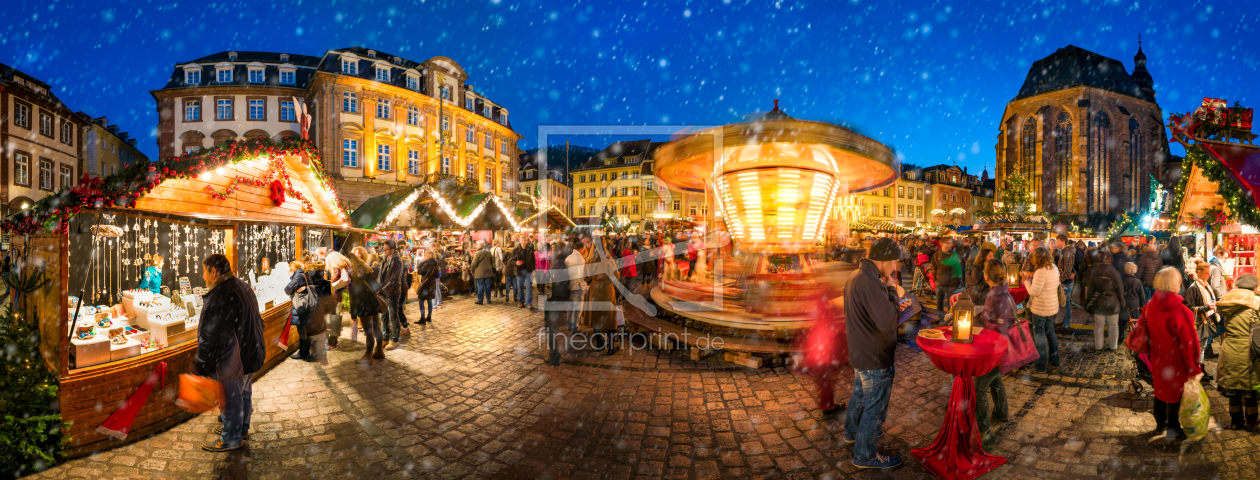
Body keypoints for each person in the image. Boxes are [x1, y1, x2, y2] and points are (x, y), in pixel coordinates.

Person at [843, 237, 910, 469]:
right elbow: (888, 322)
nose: (895, 267)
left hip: (861, 350)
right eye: (894, 262)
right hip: (875, 355)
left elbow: (874, 312)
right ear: (884, 260)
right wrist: (892, 291)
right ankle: (864, 454)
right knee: (875, 408)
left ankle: (852, 432)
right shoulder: (871, 282)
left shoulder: (857, 276)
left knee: (860, 396)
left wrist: (890, 298)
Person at [195, 254, 264, 452]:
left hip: (233, 358)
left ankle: (231, 438)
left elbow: (213, 335)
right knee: (243, 394)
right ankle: (241, 429)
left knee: (231, 399)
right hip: (250, 351)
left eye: (204, 271)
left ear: (214, 272)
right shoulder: (242, 286)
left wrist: (201, 363)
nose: (203, 276)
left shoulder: (221, 294)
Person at [1146, 267, 1202, 446]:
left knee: (1160, 392)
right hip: (1176, 362)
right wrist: (1193, 367)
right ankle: (1173, 430)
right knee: (1175, 397)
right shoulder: (1181, 311)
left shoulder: (1149, 306)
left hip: (1157, 358)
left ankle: (1159, 425)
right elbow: (1190, 343)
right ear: (1175, 285)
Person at [1213, 273, 1260, 430]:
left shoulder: (1228, 301)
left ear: (1238, 286)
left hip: (1230, 349)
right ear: (1254, 287)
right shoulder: (1256, 301)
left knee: (1233, 388)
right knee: (1249, 389)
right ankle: (1251, 422)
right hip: (1249, 351)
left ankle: (1236, 422)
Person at [975, 259, 1012, 440]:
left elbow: (1000, 325)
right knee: (996, 380)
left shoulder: (996, 295)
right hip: (999, 347)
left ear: (987, 276)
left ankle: (983, 428)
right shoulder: (1001, 291)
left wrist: (983, 321)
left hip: (995, 348)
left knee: (978, 389)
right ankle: (1001, 412)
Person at [580, 237, 620, 355]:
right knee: (610, 318)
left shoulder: (589, 260)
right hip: (607, 290)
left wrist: (592, 281)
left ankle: (599, 343)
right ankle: (611, 347)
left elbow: (586, 277)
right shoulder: (608, 259)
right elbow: (616, 276)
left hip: (594, 291)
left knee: (596, 317)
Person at [1026, 247, 1061, 373]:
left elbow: (1034, 292)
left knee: (1039, 334)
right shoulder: (1054, 268)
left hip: (1040, 308)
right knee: (1051, 333)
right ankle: (1054, 361)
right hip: (1051, 307)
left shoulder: (1041, 271)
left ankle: (1041, 365)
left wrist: (1026, 282)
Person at [1083, 250, 1126, 351]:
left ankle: (1099, 346)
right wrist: (1122, 302)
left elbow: (1090, 290)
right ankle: (1113, 346)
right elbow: (1120, 289)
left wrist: (1088, 302)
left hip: (1100, 303)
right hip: (1113, 302)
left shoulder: (1095, 271)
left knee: (1098, 326)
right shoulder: (1114, 272)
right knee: (1113, 326)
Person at [346, 252, 384, 364]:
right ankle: (379, 351)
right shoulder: (369, 271)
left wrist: (353, 315)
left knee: (368, 332)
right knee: (376, 327)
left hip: (363, 305)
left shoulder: (353, 277)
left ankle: (368, 356)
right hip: (373, 302)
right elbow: (377, 286)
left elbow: (353, 297)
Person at [1185, 260, 1220, 374]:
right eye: (1206, 273)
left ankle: (1199, 369)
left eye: (1209, 273)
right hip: (1199, 323)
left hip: (1206, 321)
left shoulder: (1205, 285)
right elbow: (1189, 307)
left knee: (1202, 348)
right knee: (1198, 349)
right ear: (1199, 273)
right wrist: (1206, 307)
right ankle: (1196, 371)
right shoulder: (1194, 288)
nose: (1209, 275)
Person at [543, 240, 574, 366]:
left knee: (550, 328)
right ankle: (554, 355)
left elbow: (557, 281)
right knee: (552, 328)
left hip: (557, 298)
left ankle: (554, 357)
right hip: (561, 297)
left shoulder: (559, 262)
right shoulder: (564, 261)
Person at [376, 240, 406, 350]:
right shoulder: (385, 259)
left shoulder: (397, 261)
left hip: (393, 293)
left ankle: (395, 340)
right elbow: (380, 276)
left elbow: (393, 280)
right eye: (383, 248)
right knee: (383, 316)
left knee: (393, 317)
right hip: (383, 292)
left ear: (392, 250)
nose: (383, 251)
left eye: (386, 249)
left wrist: (383, 291)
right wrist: (378, 288)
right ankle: (385, 338)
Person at [283, 260, 315, 362]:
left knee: (302, 329)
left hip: (302, 306)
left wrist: (292, 279)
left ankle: (303, 353)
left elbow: (287, 290)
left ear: (293, 269)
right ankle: (305, 352)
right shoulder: (305, 274)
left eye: (290, 270)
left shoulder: (297, 276)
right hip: (308, 305)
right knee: (306, 329)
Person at [324, 252, 351, 351]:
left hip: (337, 295)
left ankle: (332, 342)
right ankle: (333, 340)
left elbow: (337, 274)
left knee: (334, 318)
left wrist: (330, 282)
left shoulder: (336, 267)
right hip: (343, 293)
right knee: (336, 317)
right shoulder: (345, 265)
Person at [931, 237, 963, 322]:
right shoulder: (936, 255)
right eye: (948, 243)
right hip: (940, 283)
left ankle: (949, 321)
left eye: (951, 243)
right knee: (939, 302)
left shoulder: (954, 255)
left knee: (951, 305)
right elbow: (934, 268)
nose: (951, 245)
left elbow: (958, 271)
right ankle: (941, 319)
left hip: (951, 285)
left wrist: (955, 284)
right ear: (942, 244)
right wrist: (935, 280)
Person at [1052, 235, 1076, 332]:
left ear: (1063, 241)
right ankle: (1063, 323)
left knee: (1065, 303)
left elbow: (1067, 269)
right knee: (1061, 303)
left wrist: (1061, 281)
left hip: (1065, 282)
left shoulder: (1067, 252)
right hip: (1062, 280)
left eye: (1058, 241)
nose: (1056, 243)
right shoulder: (1062, 251)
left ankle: (1066, 324)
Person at [414, 250, 438, 325]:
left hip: (425, 285)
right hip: (432, 284)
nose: (425, 256)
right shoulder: (435, 264)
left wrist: (420, 263)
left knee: (421, 301)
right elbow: (437, 275)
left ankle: (422, 318)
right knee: (429, 300)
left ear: (428, 256)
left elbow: (420, 272)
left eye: (426, 255)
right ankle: (429, 317)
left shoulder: (427, 264)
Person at [1121, 262, 1145, 329]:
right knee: (1134, 325)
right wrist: (1142, 307)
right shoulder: (1138, 282)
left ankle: (1120, 338)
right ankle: (1133, 337)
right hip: (1134, 306)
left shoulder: (1121, 280)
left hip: (1123, 304)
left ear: (1125, 270)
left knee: (1121, 324)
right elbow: (1142, 296)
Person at [518, 239, 537, 310]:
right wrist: (516, 263)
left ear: (526, 241)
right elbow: (512, 260)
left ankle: (529, 303)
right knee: (520, 287)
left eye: (524, 240)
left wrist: (533, 269)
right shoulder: (516, 250)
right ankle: (521, 302)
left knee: (529, 287)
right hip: (519, 271)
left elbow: (533, 260)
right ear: (520, 241)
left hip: (528, 271)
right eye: (522, 240)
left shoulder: (530, 249)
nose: (523, 242)